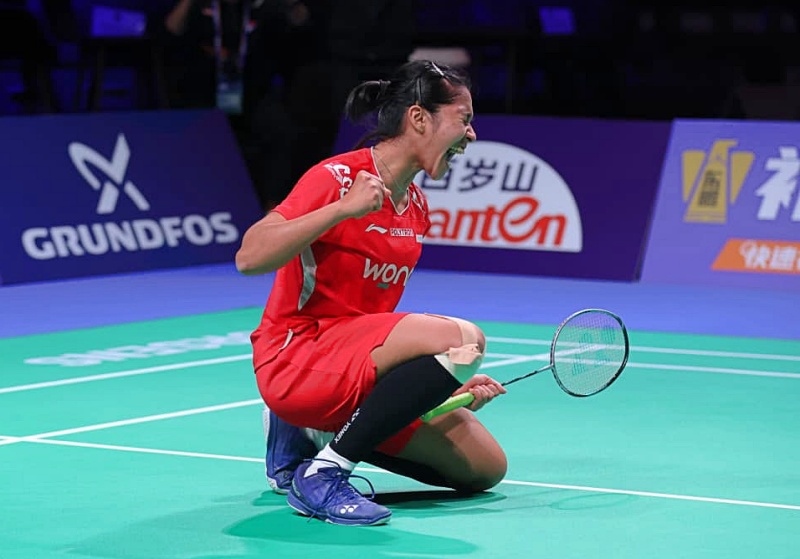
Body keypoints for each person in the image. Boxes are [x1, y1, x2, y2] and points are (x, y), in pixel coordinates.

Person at [235, 59, 508, 526]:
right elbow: (249, 257)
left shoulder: (415, 207)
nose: (471, 134)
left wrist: (440, 384)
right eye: (463, 119)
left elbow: (374, 328)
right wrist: (342, 209)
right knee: (465, 339)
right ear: (419, 118)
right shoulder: (338, 178)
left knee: (485, 468)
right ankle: (324, 475)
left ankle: (312, 440)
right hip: (296, 354)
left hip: (351, 364)